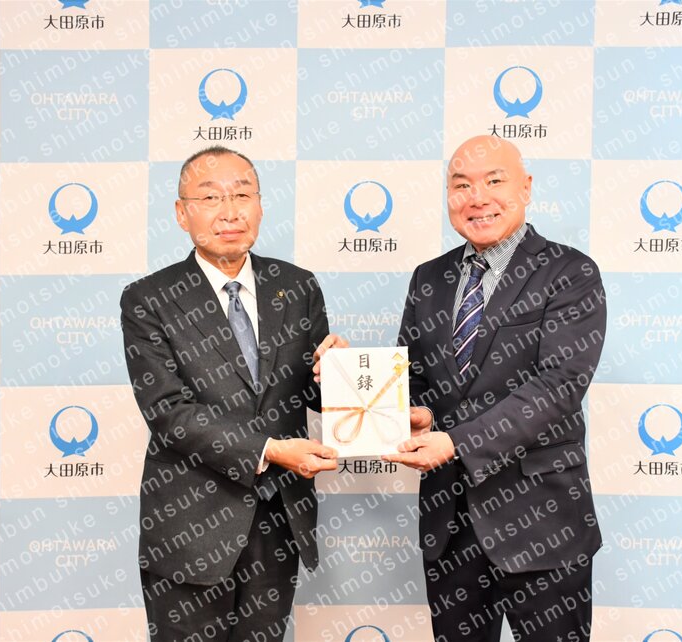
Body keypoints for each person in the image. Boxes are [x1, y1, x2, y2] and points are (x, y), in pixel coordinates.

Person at [385, 136, 606, 642]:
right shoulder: (429, 278)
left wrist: (454, 442)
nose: (477, 197)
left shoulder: (569, 273)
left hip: (543, 520)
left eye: (494, 181)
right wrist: (408, 408)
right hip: (450, 525)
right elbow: (416, 378)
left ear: (525, 188)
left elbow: (558, 386)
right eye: (461, 185)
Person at [120, 146, 345, 642]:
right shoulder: (148, 299)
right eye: (210, 197)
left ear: (260, 206)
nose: (229, 211)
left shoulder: (297, 285)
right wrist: (270, 450)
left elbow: (313, 397)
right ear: (182, 213)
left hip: (278, 519)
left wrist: (336, 376)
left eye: (242, 195)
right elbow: (168, 412)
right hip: (190, 526)